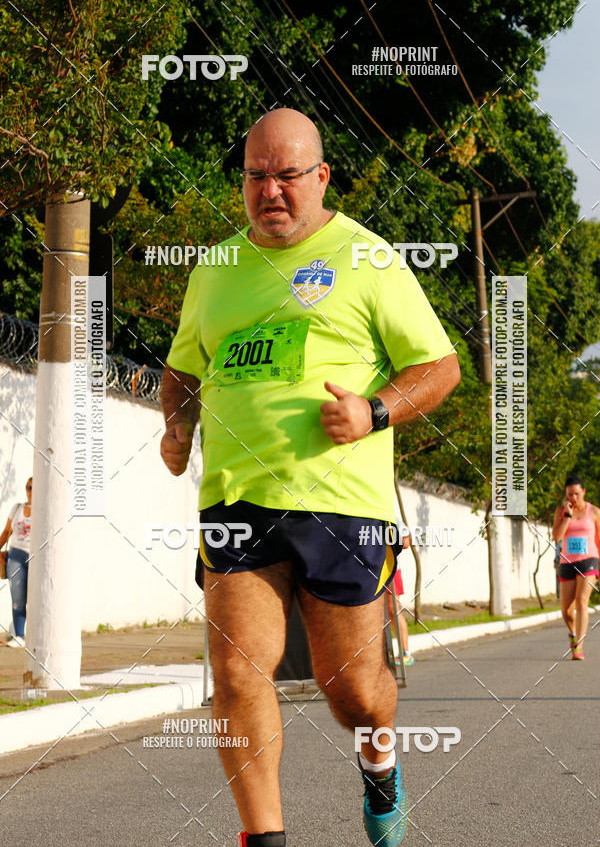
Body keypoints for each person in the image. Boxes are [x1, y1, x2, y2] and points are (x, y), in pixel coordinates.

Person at [160, 108, 460, 847]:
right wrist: (177, 425)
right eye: (255, 176)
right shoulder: (215, 268)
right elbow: (183, 367)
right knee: (237, 673)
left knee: (351, 691)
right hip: (237, 502)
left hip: (342, 505)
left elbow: (439, 366)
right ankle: (265, 839)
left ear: (321, 177)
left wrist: (375, 411)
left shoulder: (369, 258)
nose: (270, 191)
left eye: (287, 176)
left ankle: (380, 763)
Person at [552, 474, 600, 660]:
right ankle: (573, 634)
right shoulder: (561, 511)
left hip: (589, 560)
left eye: (576, 494)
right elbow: (557, 537)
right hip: (567, 562)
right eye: (569, 494)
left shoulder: (594, 512)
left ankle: (579, 646)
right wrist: (567, 515)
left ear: (584, 492)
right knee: (566, 611)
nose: (573, 497)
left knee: (581, 601)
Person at [0, 477, 33, 648]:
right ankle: (19, 636)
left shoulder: (43, 509)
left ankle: (36, 634)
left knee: (36, 596)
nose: (30, 491)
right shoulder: (17, 508)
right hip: (16, 556)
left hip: (35, 557)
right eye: (28, 487)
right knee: (18, 597)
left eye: (33, 488)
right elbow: (6, 532)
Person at [386, 536, 414, 667]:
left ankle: (406, 653)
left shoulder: (397, 522)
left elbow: (406, 543)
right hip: (371, 570)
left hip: (391, 570)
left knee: (393, 610)